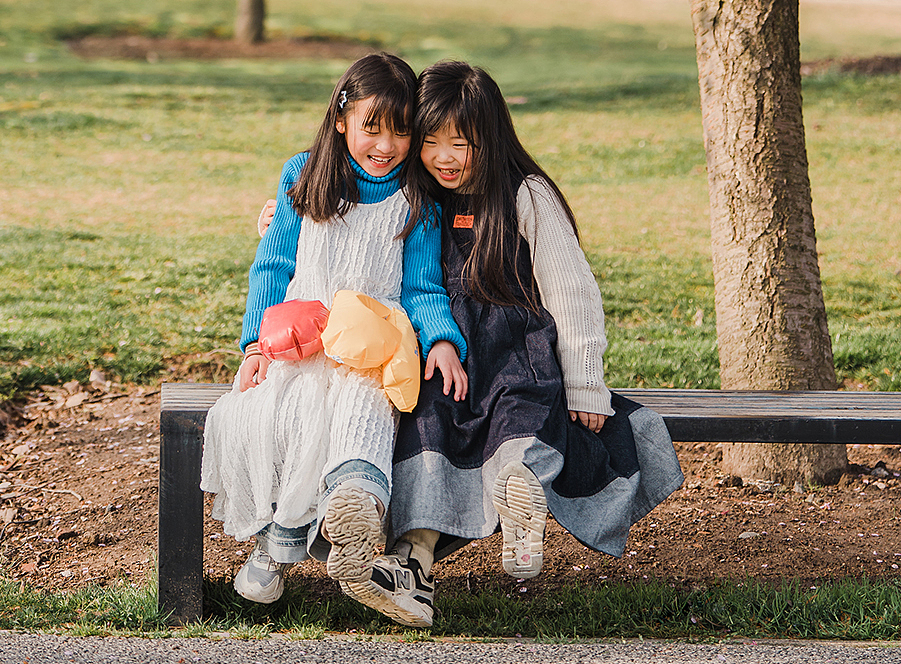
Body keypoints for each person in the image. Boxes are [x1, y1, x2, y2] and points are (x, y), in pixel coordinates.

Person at [343, 60, 684, 629]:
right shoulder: (415, 199)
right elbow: (349, 221)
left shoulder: (526, 195)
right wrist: (281, 216)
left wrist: (585, 380)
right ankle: (414, 563)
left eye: (461, 142)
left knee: (520, 417)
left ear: (492, 136)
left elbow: (571, 290)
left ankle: (519, 498)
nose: (444, 157)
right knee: (428, 426)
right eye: (429, 141)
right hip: (444, 354)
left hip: (515, 348)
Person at [201, 51, 468, 607]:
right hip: (300, 337)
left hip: (372, 343)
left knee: (363, 411)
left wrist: (441, 338)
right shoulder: (304, 174)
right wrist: (255, 345)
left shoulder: (417, 197)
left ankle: (355, 508)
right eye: (371, 128)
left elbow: (423, 287)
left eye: (400, 132)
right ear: (342, 118)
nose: (386, 147)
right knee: (286, 410)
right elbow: (272, 266)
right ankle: (274, 548)